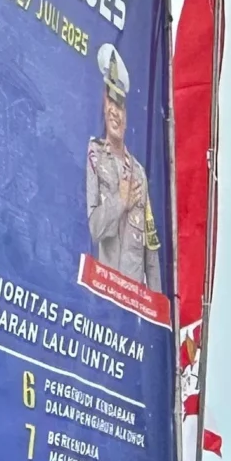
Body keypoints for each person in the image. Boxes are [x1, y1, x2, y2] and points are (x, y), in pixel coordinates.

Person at [85, 43, 161, 288]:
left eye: (119, 105)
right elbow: (93, 229)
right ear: (103, 107)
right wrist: (120, 201)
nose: (114, 113)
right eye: (110, 103)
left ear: (126, 115)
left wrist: (157, 305)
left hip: (134, 301)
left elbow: (151, 252)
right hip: (104, 295)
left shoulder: (139, 174)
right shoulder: (94, 155)